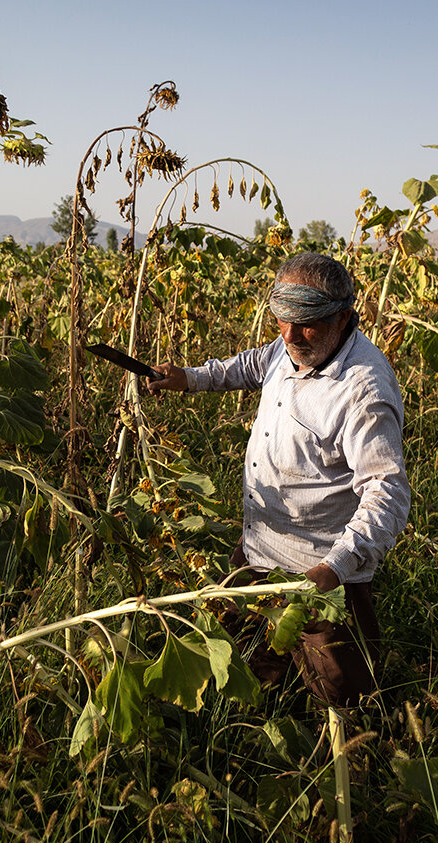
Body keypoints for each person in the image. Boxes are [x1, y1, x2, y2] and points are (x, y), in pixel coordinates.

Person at [147, 252, 410, 706]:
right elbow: (249, 366)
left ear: (344, 316)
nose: (289, 336)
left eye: (305, 323)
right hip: (258, 557)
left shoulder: (363, 390)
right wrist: (188, 378)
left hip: (320, 577)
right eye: (281, 321)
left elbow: (386, 492)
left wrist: (338, 566)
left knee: (344, 704)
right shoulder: (289, 346)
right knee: (246, 681)